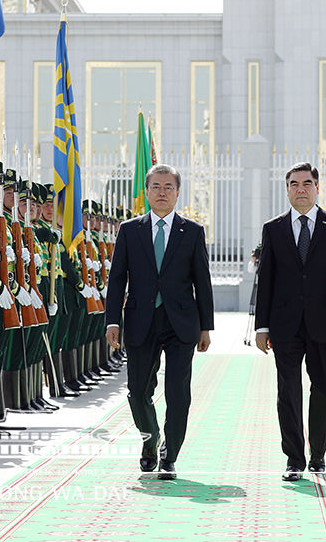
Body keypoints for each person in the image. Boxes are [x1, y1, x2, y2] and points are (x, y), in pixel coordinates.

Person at [105, 163, 214, 481]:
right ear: (147, 191)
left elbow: (202, 282)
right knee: (138, 390)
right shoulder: (129, 230)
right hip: (140, 319)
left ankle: (169, 457)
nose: (162, 192)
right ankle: (150, 440)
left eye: (169, 187)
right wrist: (113, 321)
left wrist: (205, 326)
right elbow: (117, 279)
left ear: (178, 193)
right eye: (156, 186)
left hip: (181, 322)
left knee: (178, 391)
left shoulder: (192, 232)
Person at [253, 162, 326, 482]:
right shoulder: (273, 228)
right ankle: (294, 458)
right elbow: (267, 279)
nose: (301, 189)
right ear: (287, 189)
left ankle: (318, 450)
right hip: (284, 323)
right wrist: (262, 326)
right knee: (288, 390)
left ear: (317, 188)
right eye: (294, 184)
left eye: (307, 183)